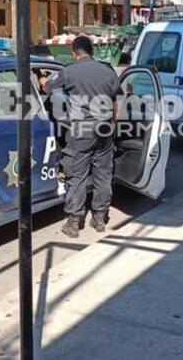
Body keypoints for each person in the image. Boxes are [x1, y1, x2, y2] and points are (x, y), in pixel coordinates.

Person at [43, 36, 122, 238]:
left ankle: (74, 222)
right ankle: (100, 218)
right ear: (91, 51)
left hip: (81, 131)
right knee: (103, 174)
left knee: (76, 175)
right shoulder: (108, 71)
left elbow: (49, 89)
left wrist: (42, 80)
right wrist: (112, 123)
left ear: (74, 53)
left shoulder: (69, 72)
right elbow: (118, 101)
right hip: (105, 130)